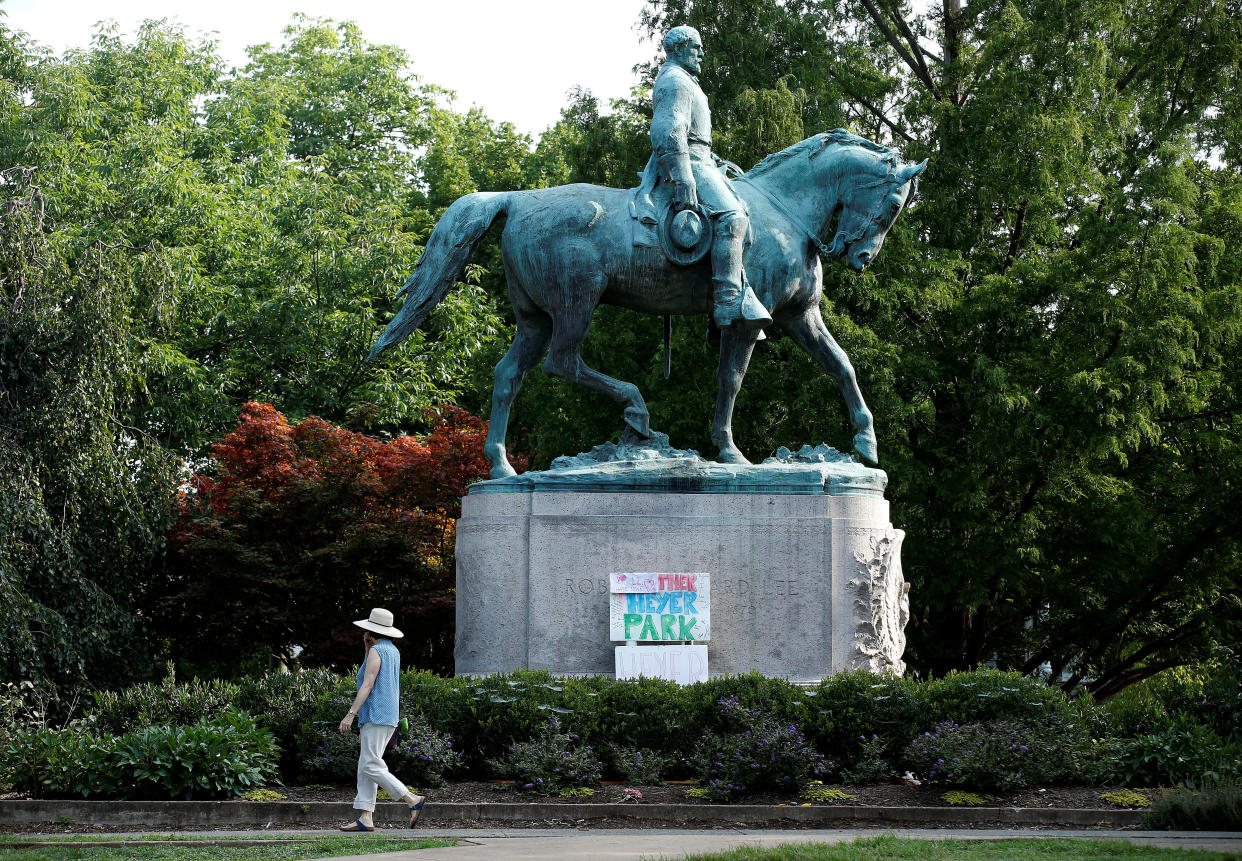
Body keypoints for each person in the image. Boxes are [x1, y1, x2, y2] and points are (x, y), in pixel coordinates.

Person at [651, 25, 771, 329]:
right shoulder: (676, 80)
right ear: (678, 49)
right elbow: (668, 131)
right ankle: (728, 301)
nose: (702, 53)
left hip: (700, 158)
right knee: (733, 217)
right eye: (696, 47)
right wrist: (682, 176)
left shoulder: (686, 80)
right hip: (688, 162)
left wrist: (713, 160)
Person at [337, 607, 426, 831]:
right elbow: (371, 673)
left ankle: (411, 799)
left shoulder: (378, 652)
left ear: (370, 630)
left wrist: (350, 714)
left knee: (370, 764)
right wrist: (367, 648)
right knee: (366, 764)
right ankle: (365, 818)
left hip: (376, 714)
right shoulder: (390, 650)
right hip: (386, 715)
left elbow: (367, 684)